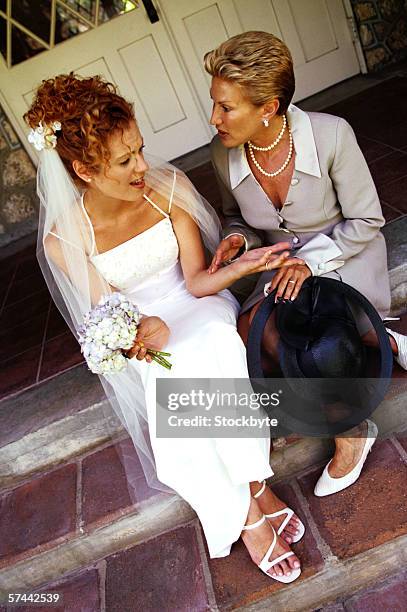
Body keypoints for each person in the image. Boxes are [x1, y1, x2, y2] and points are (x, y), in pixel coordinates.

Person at [24, 73, 306, 582]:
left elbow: (198, 282)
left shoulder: (166, 188)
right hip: (147, 331)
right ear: (85, 169)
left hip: (193, 303)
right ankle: (251, 500)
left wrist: (243, 268)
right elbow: (111, 319)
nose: (142, 166)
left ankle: (245, 502)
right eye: (125, 160)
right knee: (172, 370)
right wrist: (137, 331)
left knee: (211, 340)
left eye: (140, 149)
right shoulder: (63, 240)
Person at [204, 31, 407, 498]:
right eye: (215, 103)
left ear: (268, 108)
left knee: (319, 341)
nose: (214, 118)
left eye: (226, 107)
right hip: (280, 263)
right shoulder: (223, 151)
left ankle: (351, 431)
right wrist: (237, 236)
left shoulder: (332, 134)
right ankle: (380, 344)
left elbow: (366, 220)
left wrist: (310, 262)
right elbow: (238, 215)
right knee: (253, 332)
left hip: (344, 251)